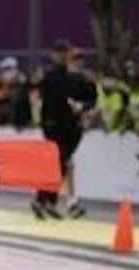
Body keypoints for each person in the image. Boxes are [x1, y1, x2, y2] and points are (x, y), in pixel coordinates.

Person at [31, 41, 96, 220]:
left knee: (61, 163)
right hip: (52, 125)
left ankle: (45, 199)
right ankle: (44, 199)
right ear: (53, 55)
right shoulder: (47, 76)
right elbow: (31, 91)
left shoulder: (81, 78)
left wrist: (82, 106)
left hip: (73, 127)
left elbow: (92, 99)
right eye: (58, 52)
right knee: (58, 160)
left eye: (64, 52)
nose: (61, 56)